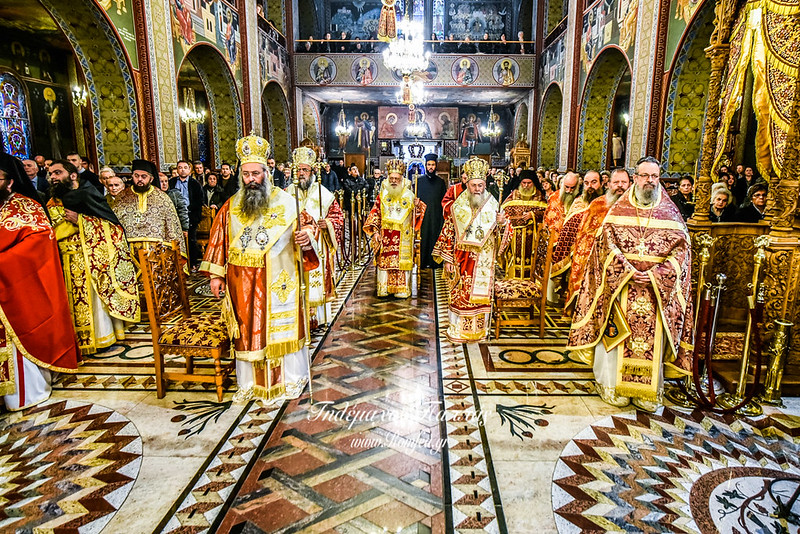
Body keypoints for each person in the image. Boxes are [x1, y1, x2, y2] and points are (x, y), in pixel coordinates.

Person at [567, 157, 694, 411]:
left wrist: (658, 274)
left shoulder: (670, 213)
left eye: (654, 176)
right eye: (644, 175)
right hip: (621, 287)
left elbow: (683, 253)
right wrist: (627, 270)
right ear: (635, 178)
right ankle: (612, 386)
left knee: (651, 338)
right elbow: (604, 246)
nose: (650, 181)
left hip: (656, 291)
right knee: (617, 337)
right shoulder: (618, 210)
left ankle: (646, 391)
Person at [200, 133, 319, 404]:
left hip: (279, 278)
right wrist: (216, 276)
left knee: (281, 329)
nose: (251, 179)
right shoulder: (231, 207)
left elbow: (309, 227)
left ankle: (289, 379)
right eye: (246, 174)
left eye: (256, 173)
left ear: (267, 172)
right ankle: (250, 384)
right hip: (242, 284)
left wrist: (307, 237)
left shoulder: (287, 203)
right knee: (247, 332)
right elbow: (218, 241)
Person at [0, 159, 79, 410]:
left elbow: (39, 243)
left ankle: (22, 394)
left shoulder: (26, 207)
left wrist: (3, 263)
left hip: (17, 285)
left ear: (10, 182)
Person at [47, 160, 140, 355]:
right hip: (63, 258)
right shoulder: (52, 200)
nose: (53, 177)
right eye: (51, 173)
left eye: (57, 173)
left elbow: (114, 228)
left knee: (95, 303)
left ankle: (102, 337)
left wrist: (81, 221)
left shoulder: (88, 193)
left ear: (73, 175)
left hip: (91, 260)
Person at [433, 157, 508, 342]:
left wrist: (502, 223)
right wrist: (447, 259)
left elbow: (502, 235)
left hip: (483, 260)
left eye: (480, 185)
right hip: (461, 259)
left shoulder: (493, 204)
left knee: (480, 297)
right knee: (460, 295)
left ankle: (479, 331)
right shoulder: (457, 206)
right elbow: (448, 231)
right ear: (467, 184)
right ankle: (458, 330)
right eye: (474, 185)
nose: (477, 189)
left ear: (485, 185)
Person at [284, 147, 344, 327]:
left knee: (315, 280)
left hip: (318, 247)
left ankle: (318, 317)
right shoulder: (287, 193)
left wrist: (328, 224)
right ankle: (298, 319)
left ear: (312, 172)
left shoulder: (323, 194)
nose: (301, 173)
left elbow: (338, 218)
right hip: (294, 246)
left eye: (305, 170)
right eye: (298, 170)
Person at [565, 168, 631, 308]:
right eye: (616, 182)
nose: (620, 186)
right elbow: (584, 235)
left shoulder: (638, 207)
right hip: (600, 257)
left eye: (623, 182)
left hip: (629, 259)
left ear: (630, 184)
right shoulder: (597, 205)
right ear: (609, 184)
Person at [363, 159, 426, 298]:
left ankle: (401, 289)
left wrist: (417, 207)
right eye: (391, 178)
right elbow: (375, 213)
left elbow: (416, 217)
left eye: (396, 179)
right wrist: (375, 232)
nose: (393, 181)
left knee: (400, 263)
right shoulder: (382, 196)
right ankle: (384, 288)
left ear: (401, 179)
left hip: (403, 235)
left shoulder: (410, 196)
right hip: (385, 236)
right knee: (385, 262)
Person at [112, 159, 187, 264]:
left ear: (151, 179)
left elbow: (172, 228)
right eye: (136, 176)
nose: (139, 179)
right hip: (129, 253)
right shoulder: (122, 198)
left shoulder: (162, 198)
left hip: (157, 254)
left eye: (144, 177)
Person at [549, 171, 603, 300]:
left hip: (600, 252)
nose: (590, 186)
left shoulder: (607, 204)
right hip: (578, 252)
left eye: (594, 182)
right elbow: (568, 228)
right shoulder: (578, 202)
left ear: (602, 183)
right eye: (587, 183)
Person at [498, 170, 547, 275]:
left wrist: (533, 215)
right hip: (515, 235)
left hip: (533, 235)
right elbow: (505, 212)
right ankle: (513, 277)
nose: (526, 186)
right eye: (523, 183)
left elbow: (546, 214)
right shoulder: (513, 195)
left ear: (533, 183)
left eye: (529, 183)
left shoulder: (539, 196)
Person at [170, 160, 204, 269]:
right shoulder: (172, 182)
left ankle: (192, 263)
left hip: (191, 215)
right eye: (180, 167)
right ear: (177, 169)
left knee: (191, 240)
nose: (182, 170)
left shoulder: (195, 184)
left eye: (185, 167)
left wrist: (192, 214)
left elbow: (199, 200)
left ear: (189, 169)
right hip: (175, 214)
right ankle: (177, 265)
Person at [415, 154, 447, 269]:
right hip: (423, 216)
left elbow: (444, 200)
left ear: (436, 165)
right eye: (429, 165)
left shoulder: (440, 182)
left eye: (433, 165)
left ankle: (435, 262)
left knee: (435, 237)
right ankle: (423, 262)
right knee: (424, 237)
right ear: (425, 165)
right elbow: (415, 198)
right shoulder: (419, 181)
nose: (431, 167)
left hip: (436, 216)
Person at [543, 170, 580, 238]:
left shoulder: (580, 200)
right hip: (553, 237)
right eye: (567, 187)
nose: (569, 191)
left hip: (571, 237)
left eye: (572, 188)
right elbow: (547, 218)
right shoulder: (553, 197)